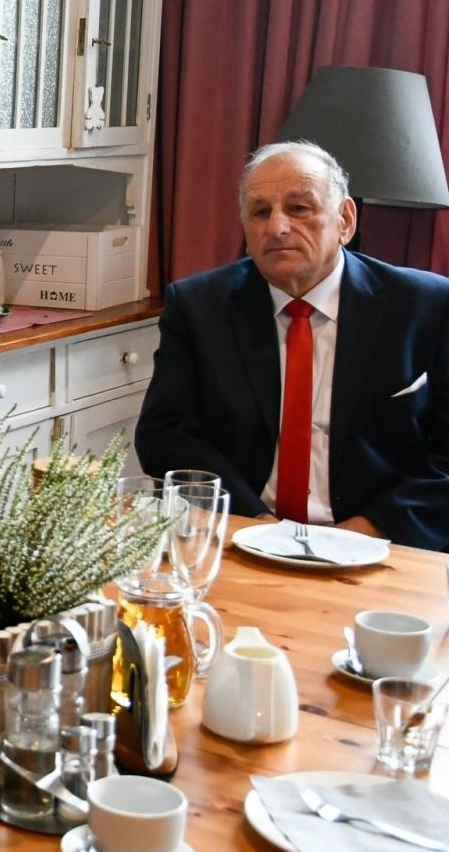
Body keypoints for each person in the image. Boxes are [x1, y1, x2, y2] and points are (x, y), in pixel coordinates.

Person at [136, 141, 449, 550]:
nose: (277, 227)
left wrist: (368, 530)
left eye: (299, 208)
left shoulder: (426, 306)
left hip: (384, 544)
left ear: (345, 220)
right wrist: (257, 526)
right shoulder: (199, 307)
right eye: (260, 212)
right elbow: (166, 435)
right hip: (242, 536)